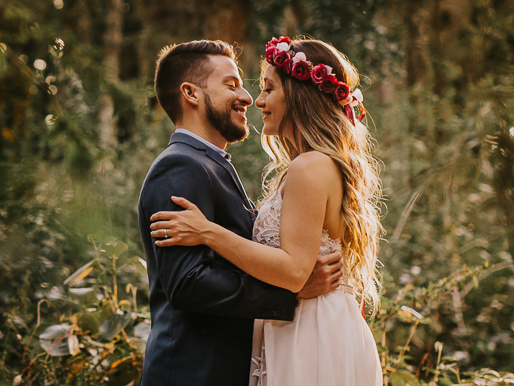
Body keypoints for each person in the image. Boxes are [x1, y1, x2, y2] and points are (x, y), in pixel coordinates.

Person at [150, 36, 384, 386]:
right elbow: (188, 283)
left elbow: (292, 269)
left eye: (268, 88)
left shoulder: (308, 168)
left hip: (310, 336)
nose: (254, 99)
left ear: (298, 94)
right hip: (286, 334)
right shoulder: (185, 166)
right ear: (191, 94)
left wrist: (207, 232)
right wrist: (289, 295)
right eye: (233, 85)